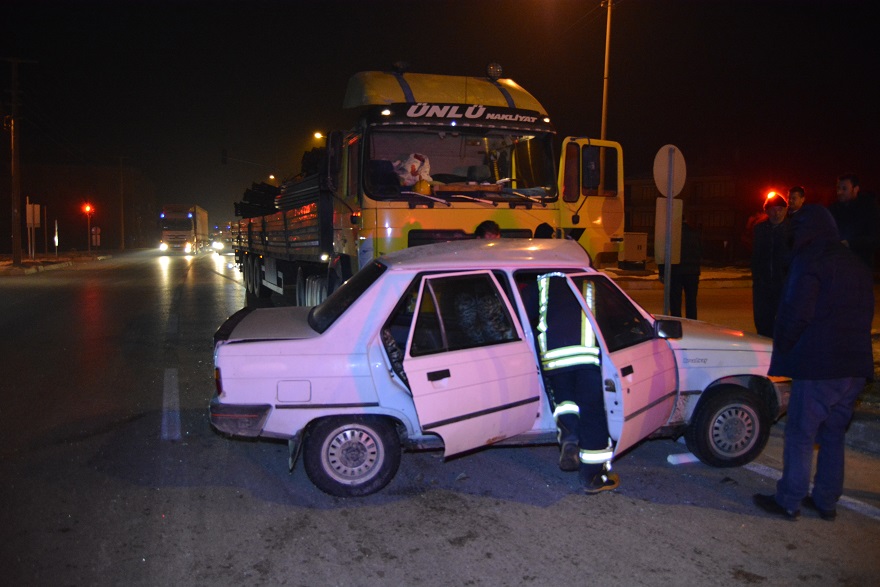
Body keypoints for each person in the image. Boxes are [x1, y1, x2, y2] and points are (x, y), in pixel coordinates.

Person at [753, 204, 874, 521]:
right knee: (833, 434)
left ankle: (789, 500)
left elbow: (796, 312)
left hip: (820, 366)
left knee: (800, 432)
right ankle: (825, 501)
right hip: (855, 369)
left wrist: (783, 346)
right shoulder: (856, 263)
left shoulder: (810, 260)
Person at [522, 274, 617, 494]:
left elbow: (523, 317)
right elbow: (611, 318)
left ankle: (570, 437)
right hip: (587, 358)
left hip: (555, 359)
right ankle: (592, 477)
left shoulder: (540, 284)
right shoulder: (590, 282)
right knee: (592, 414)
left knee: (565, 403)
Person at [751, 192, 790, 337]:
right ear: (766, 211)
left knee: (784, 322)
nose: (777, 213)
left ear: (786, 210)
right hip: (763, 284)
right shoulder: (760, 230)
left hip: (784, 284)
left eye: (780, 209)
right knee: (763, 322)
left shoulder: (791, 230)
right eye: (773, 209)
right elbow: (756, 256)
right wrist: (757, 278)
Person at [829, 173, 880, 269]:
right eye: (838, 188)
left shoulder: (869, 209)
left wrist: (850, 243)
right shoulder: (834, 209)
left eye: (844, 189)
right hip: (838, 264)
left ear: (855, 189)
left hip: (861, 263)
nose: (839, 192)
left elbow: (875, 238)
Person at [657, 219, 702, 319]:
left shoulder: (671, 234)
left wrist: (662, 272)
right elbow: (701, 251)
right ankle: (692, 323)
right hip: (692, 272)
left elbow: (662, 254)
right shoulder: (694, 233)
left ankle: (677, 322)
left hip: (675, 271)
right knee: (691, 301)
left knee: (675, 302)